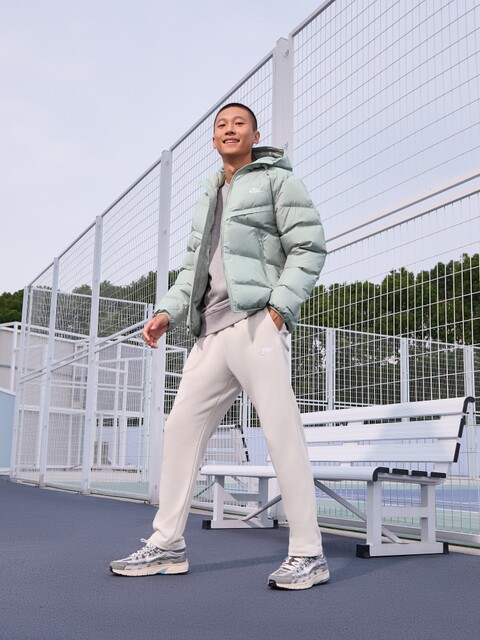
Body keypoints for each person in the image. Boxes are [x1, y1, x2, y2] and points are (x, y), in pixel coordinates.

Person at [110, 103, 328, 590]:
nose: (230, 130)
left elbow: (309, 246)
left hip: (256, 324)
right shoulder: (208, 192)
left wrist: (278, 309)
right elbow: (193, 266)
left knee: (281, 433)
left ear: (254, 135)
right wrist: (168, 312)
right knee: (180, 430)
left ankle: (308, 553)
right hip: (209, 332)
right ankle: (167, 544)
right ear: (214, 141)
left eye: (239, 124)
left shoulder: (277, 180)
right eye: (221, 126)